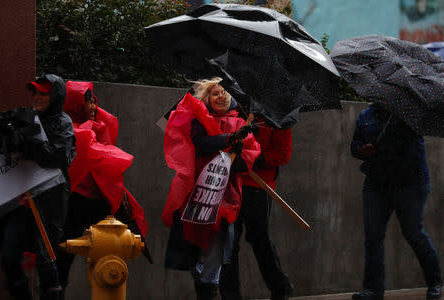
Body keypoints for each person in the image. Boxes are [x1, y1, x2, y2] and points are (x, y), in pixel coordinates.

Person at [163, 78, 260, 300]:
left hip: (226, 196)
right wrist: (227, 139)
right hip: (197, 192)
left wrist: (238, 155)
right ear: (207, 98)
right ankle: (203, 281)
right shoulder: (197, 120)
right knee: (194, 242)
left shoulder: (241, 123)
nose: (222, 96)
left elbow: (248, 159)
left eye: (225, 92)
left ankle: (208, 288)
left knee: (218, 243)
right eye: (216, 93)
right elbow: (200, 143)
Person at [56, 81, 148, 295]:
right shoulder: (67, 128)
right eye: (87, 102)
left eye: (93, 101)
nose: (92, 106)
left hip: (98, 203)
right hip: (75, 203)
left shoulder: (101, 124)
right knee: (63, 257)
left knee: (108, 258)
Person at [0, 74, 76, 300]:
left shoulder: (63, 123)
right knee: (9, 256)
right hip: (21, 200)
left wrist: (28, 145)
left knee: (45, 258)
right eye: (35, 93)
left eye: (44, 93)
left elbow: (59, 156)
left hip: (50, 201)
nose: (38, 97)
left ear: (56, 95)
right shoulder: (24, 119)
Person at [350, 104, 442, 300]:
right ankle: (373, 290)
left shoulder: (411, 113)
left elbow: (412, 143)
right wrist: (362, 150)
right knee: (373, 236)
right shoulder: (366, 115)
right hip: (376, 183)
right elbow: (354, 146)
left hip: (410, 182)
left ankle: (435, 282)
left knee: (413, 232)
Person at [219, 115, 294, 300]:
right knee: (228, 241)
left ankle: (280, 287)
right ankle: (230, 295)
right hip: (230, 185)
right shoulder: (234, 110)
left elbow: (283, 154)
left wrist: (252, 157)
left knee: (259, 239)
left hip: (259, 187)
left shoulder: (279, 118)